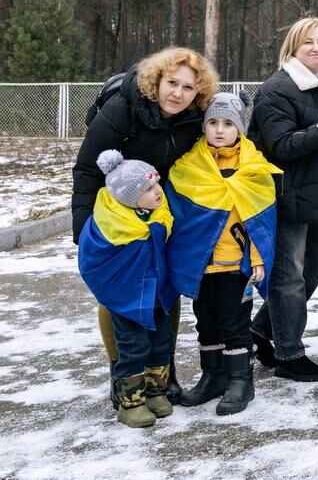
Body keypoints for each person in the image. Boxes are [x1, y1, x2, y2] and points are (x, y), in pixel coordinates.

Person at [71, 46, 219, 403]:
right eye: (172, 83)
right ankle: (124, 374)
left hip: (162, 211)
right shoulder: (124, 108)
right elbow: (88, 168)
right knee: (117, 292)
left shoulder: (193, 117)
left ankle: (160, 372)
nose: (178, 94)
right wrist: (85, 229)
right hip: (117, 214)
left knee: (164, 289)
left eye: (188, 88)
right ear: (157, 81)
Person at [249, 17, 318, 383]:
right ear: (293, 47)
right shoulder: (277, 89)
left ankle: (261, 330)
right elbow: (282, 146)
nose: (316, 48)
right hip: (288, 197)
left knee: (310, 273)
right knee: (289, 276)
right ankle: (289, 354)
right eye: (308, 42)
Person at [165, 92, 279, 415]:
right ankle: (212, 376)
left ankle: (240, 380)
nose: (219, 129)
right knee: (206, 322)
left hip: (235, 266)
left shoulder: (253, 168)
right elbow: (182, 217)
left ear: (239, 128)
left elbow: (260, 221)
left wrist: (257, 258)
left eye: (228, 123)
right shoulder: (190, 166)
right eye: (213, 122)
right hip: (202, 265)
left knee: (235, 323)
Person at [76, 151, 173, 428]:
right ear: (129, 197)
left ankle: (155, 393)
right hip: (128, 297)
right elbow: (95, 261)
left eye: (157, 184)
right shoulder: (112, 225)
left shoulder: (157, 215)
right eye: (149, 188)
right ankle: (130, 403)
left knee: (161, 342)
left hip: (156, 293)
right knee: (133, 346)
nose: (158, 192)